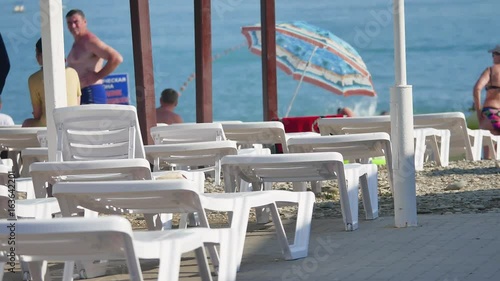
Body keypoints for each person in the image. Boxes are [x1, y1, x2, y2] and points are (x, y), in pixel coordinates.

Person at [65, 9, 123, 104]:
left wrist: (97, 76)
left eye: (76, 22)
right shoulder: (77, 43)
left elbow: (116, 58)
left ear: (84, 22)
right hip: (81, 93)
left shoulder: (90, 42)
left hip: (91, 91)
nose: (73, 26)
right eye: (69, 23)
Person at [23, 38, 81, 127]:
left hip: (50, 126)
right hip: (73, 124)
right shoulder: (72, 72)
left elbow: (37, 115)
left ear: (40, 57)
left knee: (26, 124)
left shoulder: (34, 79)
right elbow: (76, 105)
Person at [473, 45, 500, 135]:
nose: (492, 57)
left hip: (491, 114)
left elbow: (477, 89)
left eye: (493, 54)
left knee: (489, 147)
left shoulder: (491, 70)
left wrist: (478, 112)